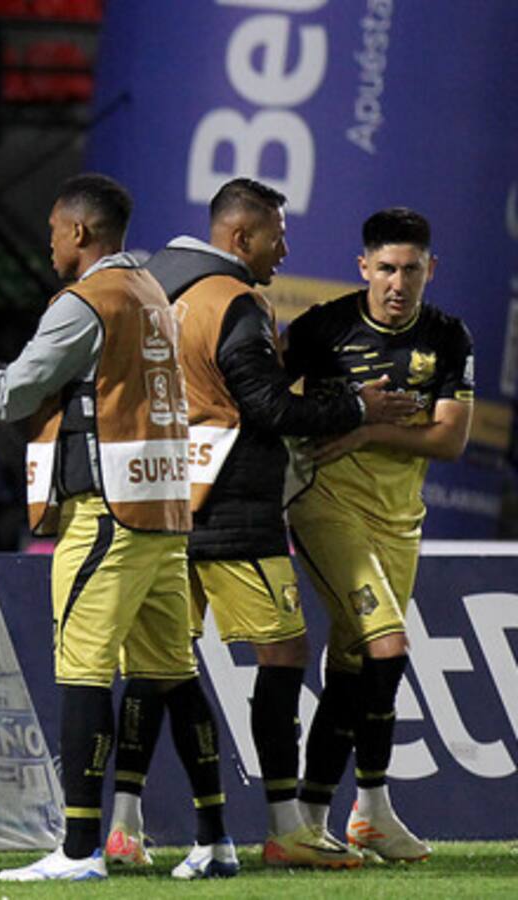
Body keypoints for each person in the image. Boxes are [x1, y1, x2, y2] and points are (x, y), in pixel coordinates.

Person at [0, 173, 235, 882]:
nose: (46, 241)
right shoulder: (150, 293)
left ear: (80, 232)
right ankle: (215, 840)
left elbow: (11, 395)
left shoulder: (87, 302)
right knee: (173, 673)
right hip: (164, 513)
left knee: (81, 671)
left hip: (107, 514)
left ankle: (78, 849)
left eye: (53, 229)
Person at [139, 179, 418, 868]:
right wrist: (358, 408)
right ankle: (288, 824)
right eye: (277, 236)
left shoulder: (148, 292)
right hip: (234, 510)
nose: (285, 249)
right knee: (284, 652)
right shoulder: (237, 302)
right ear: (241, 238)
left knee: (156, 663)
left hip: (161, 502)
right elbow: (267, 407)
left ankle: (118, 824)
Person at [284, 208, 472, 862]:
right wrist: (336, 414)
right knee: (388, 646)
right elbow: (266, 402)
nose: (397, 282)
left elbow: (449, 438)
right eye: (386, 268)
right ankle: (373, 803)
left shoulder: (448, 337)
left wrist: (365, 428)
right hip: (325, 501)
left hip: (401, 519)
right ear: (364, 266)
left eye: (410, 270)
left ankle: (314, 813)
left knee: (355, 661)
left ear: (430, 271)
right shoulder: (321, 329)